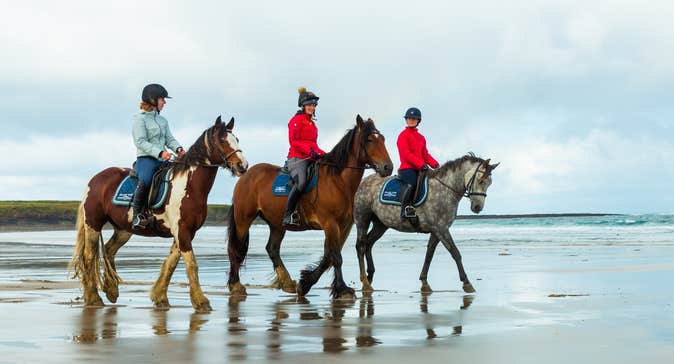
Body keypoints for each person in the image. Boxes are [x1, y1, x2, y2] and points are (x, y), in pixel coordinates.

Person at [131, 83, 185, 230]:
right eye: (162, 99)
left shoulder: (163, 120)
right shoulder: (139, 118)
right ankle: (137, 216)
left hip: (163, 159)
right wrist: (160, 153)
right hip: (146, 159)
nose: (164, 102)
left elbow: (169, 139)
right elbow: (140, 141)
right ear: (152, 99)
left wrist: (179, 149)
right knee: (147, 179)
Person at [282, 87, 326, 226]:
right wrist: (310, 152)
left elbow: (314, 144)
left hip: (310, 156)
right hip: (297, 158)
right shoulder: (296, 120)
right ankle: (288, 215)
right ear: (303, 105)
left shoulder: (312, 124)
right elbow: (294, 142)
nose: (311, 107)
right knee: (301, 183)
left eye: (313, 105)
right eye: (309, 105)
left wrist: (324, 154)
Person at [396, 107, 440, 220]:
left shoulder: (421, 138)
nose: (411, 120)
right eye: (409, 118)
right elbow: (406, 154)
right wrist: (421, 164)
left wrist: (435, 164)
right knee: (412, 184)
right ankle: (404, 210)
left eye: (414, 119)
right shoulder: (403, 135)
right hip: (407, 169)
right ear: (406, 120)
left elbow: (425, 154)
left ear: (418, 121)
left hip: (421, 168)